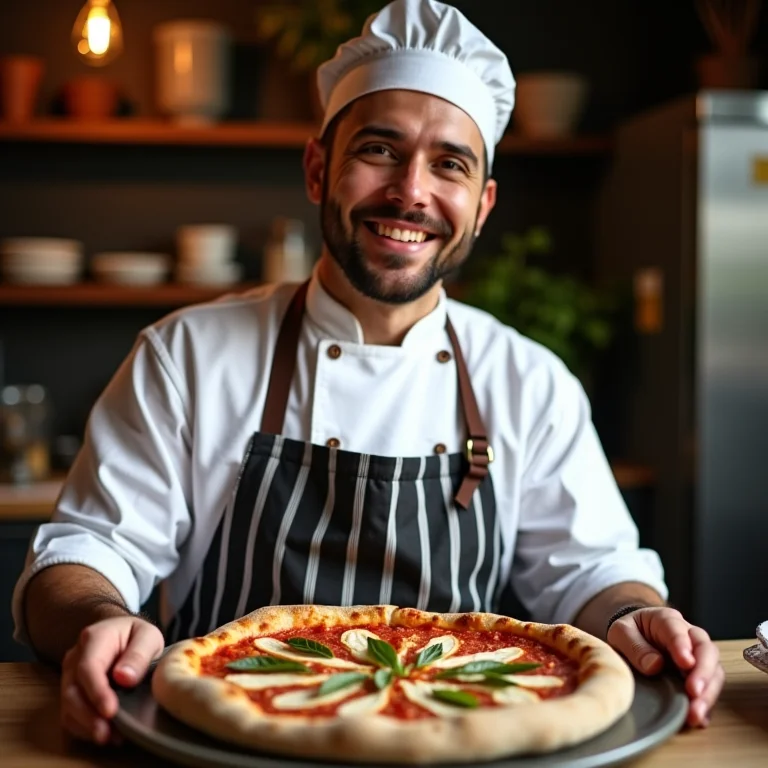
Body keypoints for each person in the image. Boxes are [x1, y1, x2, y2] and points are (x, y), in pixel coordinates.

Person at [13, 0, 722, 747]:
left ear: (481, 207)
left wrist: (633, 615)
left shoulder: (528, 380)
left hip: (461, 750)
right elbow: (88, 553)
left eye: (449, 163)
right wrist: (99, 620)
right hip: (222, 751)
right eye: (379, 150)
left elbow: (593, 571)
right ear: (319, 168)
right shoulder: (186, 355)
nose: (411, 191)